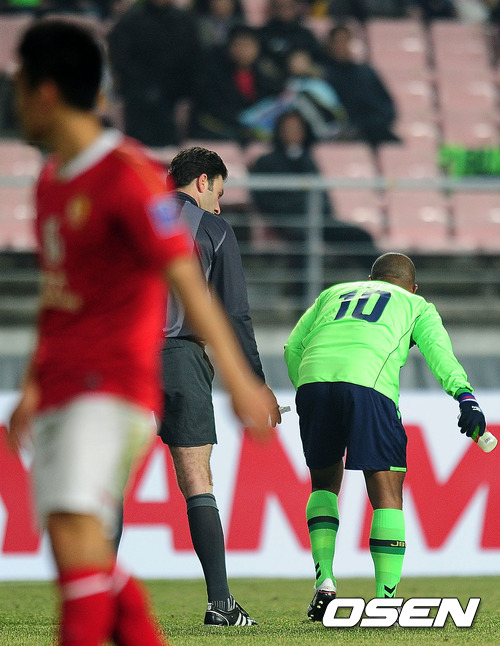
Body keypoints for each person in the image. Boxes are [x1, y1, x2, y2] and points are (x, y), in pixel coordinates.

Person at [7, 19, 276, 646]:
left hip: (120, 372)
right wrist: (34, 381)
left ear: (45, 92)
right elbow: (59, 294)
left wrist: (241, 384)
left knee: (79, 522)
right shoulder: (52, 182)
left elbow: (183, 280)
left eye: (18, 89)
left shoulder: (129, 175)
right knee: (94, 526)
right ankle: (216, 603)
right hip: (108, 370)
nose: (14, 104)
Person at [284, 252, 486, 621]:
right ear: (413, 287)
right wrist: (464, 396)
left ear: (370, 279)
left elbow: (293, 347)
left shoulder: (334, 293)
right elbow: (439, 353)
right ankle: (385, 600)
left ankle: (324, 580)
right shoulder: (416, 305)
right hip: (368, 385)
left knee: (323, 485)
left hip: (313, 381)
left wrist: (307, 390)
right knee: (387, 492)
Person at [151, 146, 280, 626]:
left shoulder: (133, 216)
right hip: (180, 357)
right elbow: (234, 314)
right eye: (219, 193)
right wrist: (256, 384)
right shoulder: (212, 229)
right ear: (203, 182)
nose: (220, 205)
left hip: (122, 359)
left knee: (110, 480)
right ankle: (221, 605)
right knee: (196, 480)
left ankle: (94, 602)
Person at [107, 0, 201, 147]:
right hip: (139, 95)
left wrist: (185, 92)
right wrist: (140, 84)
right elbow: (120, 57)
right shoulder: (131, 20)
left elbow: (193, 58)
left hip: (175, 95)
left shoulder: (184, 20)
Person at [188, 24, 282, 142]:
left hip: (253, 137)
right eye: (238, 45)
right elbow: (212, 108)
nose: (243, 51)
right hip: (219, 135)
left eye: (248, 46)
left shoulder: (265, 77)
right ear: (229, 48)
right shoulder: (213, 75)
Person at [323, 23, 400, 147]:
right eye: (338, 42)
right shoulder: (325, 75)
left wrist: (376, 123)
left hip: (374, 131)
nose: (342, 46)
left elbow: (387, 107)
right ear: (330, 45)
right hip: (344, 136)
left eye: (346, 41)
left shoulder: (366, 72)